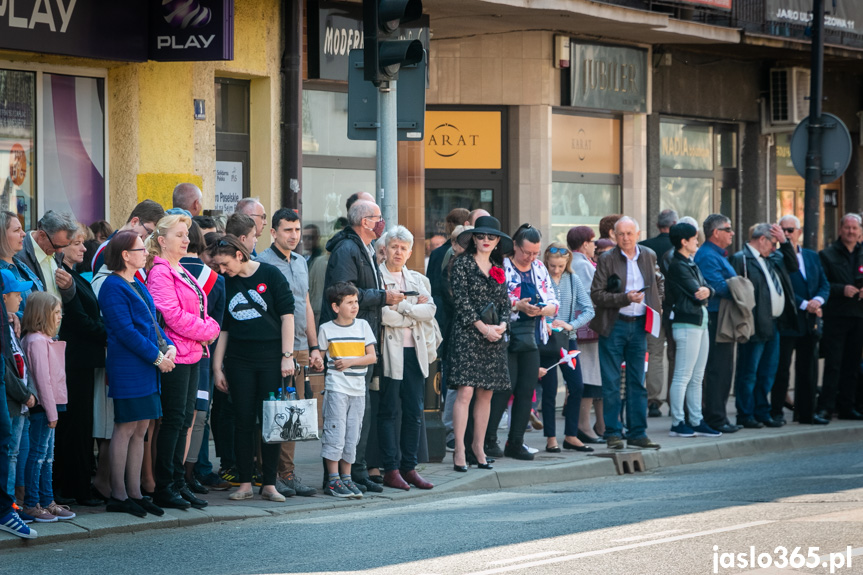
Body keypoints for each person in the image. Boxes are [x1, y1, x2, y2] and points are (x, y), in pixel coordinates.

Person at [320, 200, 404, 492]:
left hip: (361, 334)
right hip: (345, 340)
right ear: (365, 221)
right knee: (340, 417)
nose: (382, 223)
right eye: (378, 218)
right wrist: (383, 297)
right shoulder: (347, 248)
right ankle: (338, 475)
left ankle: (354, 470)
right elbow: (344, 292)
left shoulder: (364, 247)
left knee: (359, 414)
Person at [210, 235, 295, 503]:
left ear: (239, 254)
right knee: (243, 422)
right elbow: (223, 327)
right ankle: (245, 483)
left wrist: (287, 356)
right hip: (239, 361)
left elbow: (287, 316)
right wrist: (217, 367)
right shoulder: (226, 282)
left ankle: (269, 484)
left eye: (224, 264)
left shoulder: (270, 274)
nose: (222, 271)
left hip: (271, 358)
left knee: (271, 421)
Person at [146, 214, 221, 510]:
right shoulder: (161, 272)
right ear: (162, 240)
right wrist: (209, 330)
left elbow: (201, 309)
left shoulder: (181, 269)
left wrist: (208, 327)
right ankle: (165, 486)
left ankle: (178, 482)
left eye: (187, 234)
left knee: (184, 420)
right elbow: (171, 315)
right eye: (180, 235)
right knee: (174, 421)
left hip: (193, 353)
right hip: (176, 355)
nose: (186, 239)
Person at [99, 231, 175, 518]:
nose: (147, 253)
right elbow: (125, 332)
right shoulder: (112, 286)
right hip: (129, 368)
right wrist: (158, 358)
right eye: (141, 249)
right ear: (125, 255)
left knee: (142, 429)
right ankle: (118, 494)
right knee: (126, 427)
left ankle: (135, 492)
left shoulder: (138, 282)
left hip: (147, 366)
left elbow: (154, 324)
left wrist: (169, 348)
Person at [256, 208, 322, 497]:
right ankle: (267, 475)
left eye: (296, 230)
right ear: (273, 233)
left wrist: (314, 345)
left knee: (293, 412)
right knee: (273, 412)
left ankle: (288, 474)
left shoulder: (301, 262)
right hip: (275, 349)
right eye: (287, 230)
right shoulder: (261, 263)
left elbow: (304, 304)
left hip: (300, 348)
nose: (294, 236)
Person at [590, 216, 663, 450]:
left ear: (638, 234)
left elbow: (659, 283)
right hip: (614, 324)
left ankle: (637, 433)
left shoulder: (649, 255)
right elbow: (596, 295)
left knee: (637, 382)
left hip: (640, 325)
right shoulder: (607, 259)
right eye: (621, 234)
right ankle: (612, 432)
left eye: (630, 233)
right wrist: (624, 298)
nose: (626, 238)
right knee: (611, 382)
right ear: (614, 235)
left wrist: (656, 303)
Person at [377, 226, 438, 490]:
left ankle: (409, 468)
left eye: (403, 248)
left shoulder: (417, 280)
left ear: (410, 252)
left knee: (414, 412)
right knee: (389, 411)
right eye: (394, 247)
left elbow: (431, 310)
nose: (398, 252)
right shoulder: (377, 278)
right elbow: (383, 316)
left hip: (416, 351)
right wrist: (413, 309)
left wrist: (401, 305)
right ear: (385, 249)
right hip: (390, 353)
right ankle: (391, 469)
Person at [448, 217, 511, 472]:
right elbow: (460, 301)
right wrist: (483, 328)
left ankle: (479, 447)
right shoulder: (461, 263)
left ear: (497, 242)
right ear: (473, 238)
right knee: (465, 393)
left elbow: (506, 303)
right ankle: (460, 450)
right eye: (481, 236)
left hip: (494, 337)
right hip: (468, 335)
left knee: (487, 394)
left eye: (491, 237)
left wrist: (502, 326)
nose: (486, 240)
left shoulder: (498, 265)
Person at [492, 224, 559, 461]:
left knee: (526, 389)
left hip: (532, 334)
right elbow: (496, 298)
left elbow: (553, 301)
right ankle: (489, 440)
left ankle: (516, 442)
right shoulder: (502, 265)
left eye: (535, 253)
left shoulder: (539, 268)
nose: (530, 257)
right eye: (526, 252)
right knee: (504, 388)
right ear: (515, 247)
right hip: (506, 336)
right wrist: (517, 305)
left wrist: (542, 310)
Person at [54, 223, 106, 507]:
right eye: (78, 243)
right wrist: (110, 334)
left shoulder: (74, 277)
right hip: (73, 361)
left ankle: (78, 484)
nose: (84, 249)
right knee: (73, 426)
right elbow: (78, 319)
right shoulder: (64, 278)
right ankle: (74, 487)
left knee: (81, 425)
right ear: (63, 247)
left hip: (83, 361)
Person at [729, 223, 798, 429]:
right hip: (753, 323)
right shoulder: (742, 258)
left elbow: (793, 266)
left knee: (767, 372)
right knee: (749, 371)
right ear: (762, 239)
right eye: (773, 242)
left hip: (774, 323)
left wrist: (785, 243)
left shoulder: (773, 258)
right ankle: (745, 413)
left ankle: (762, 411)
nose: (775, 248)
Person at [181, 222, 230, 492]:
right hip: (201, 354)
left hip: (172, 354)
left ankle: (172, 474)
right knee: (199, 415)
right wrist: (217, 365)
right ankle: (189, 475)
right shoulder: (216, 280)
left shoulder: (161, 272)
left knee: (175, 417)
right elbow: (218, 328)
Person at [317, 282, 378, 498]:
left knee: (353, 434)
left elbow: (372, 356)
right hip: (337, 389)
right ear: (335, 307)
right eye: (349, 302)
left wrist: (351, 362)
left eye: (356, 302)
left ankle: (347, 478)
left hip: (358, 390)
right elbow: (320, 357)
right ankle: (333, 481)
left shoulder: (362, 326)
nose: (355, 306)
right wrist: (317, 361)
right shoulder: (326, 329)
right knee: (336, 432)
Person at [770, 216, 830, 426]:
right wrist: (805, 304)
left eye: (790, 230)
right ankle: (776, 411)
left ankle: (806, 412)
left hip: (810, 322)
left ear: (799, 231)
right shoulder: (777, 257)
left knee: (808, 368)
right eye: (783, 230)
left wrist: (818, 300)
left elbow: (824, 283)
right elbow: (783, 289)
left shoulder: (812, 256)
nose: (787, 233)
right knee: (782, 368)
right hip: (788, 321)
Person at [21, 292, 74, 522]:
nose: (60, 316)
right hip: (43, 408)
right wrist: (52, 412)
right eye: (55, 312)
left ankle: (47, 500)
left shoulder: (43, 339)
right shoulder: (35, 341)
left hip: (51, 406)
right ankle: (32, 502)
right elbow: (42, 380)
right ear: (42, 314)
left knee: (47, 456)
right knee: (38, 455)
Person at [664, 223, 720, 438]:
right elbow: (698, 291)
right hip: (687, 323)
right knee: (683, 375)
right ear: (684, 241)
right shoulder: (678, 265)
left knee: (697, 376)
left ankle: (696, 420)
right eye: (694, 238)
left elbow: (708, 289)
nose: (698, 241)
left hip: (699, 322)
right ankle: (678, 422)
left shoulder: (690, 263)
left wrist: (708, 290)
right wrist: (706, 290)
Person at [538, 242, 594, 452]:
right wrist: (546, 323)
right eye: (552, 265)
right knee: (550, 389)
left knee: (577, 386)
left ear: (567, 263)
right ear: (546, 262)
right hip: (547, 339)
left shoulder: (573, 279)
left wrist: (572, 325)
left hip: (568, 340)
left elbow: (588, 309)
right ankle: (551, 438)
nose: (556, 270)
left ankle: (571, 435)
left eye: (560, 266)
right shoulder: (540, 279)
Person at [693, 214, 741, 435]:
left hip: (723, 317)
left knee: (724, 369)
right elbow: (718, 286)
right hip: (715, 318)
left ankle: (719, 416)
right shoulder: (707, 256)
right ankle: (715, 417)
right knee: (717, 369)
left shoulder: (717, 255)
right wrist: (740, 287)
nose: (732, 233)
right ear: (716, 233)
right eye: (728, 229)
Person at [0, 269, 37, 538]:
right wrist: (24, 394)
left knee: (12, 452)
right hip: (13, 400)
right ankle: (7, 508)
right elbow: (6, 369)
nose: (20, 299)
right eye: (15, 294)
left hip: (17, 401)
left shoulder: (11, 322)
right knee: (7, 451)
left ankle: (10, 505)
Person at [817, 213, 863, 421]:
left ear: (860, 231)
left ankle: (847, 406)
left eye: (855, 228)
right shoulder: (827, 255)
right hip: (836, 316)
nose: (851, 231)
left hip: (859, 316)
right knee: (834, 364)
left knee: (852, 364)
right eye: (847, 228)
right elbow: (822, 284)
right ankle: (826, 406)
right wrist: (840, 289)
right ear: (840, 229)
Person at [566, 225, 605, 445]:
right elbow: (591, 296)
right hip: (586, 329)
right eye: (592, 242)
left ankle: (587, 426)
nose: (595, 246)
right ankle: (584, 426)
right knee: (587, 378)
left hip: (584, 328)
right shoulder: (581, 265)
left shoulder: (581, 263)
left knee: (590, 377)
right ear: (584, 243)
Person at [640, 208, 678, 418]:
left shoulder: (645, 247)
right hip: (675, 309)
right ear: (675, 224)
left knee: (654, 353)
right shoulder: (679, 247)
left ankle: (653, 401)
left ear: (657, 225)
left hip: (652, 308)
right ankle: (675, 402)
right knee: (674, 355)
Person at [91, 199, 166, 291]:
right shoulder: (108, 249)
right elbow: (106, 289)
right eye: (149, 232)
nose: (149, 238)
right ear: (134, 222)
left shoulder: (133, 249)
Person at [16, 210, 78, 304]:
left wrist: (68, 286)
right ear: (41, 235)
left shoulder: (55, 251)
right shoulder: (19, 255)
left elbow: (67, 298)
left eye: (64, 246)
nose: (60, 251)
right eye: (57, 246)